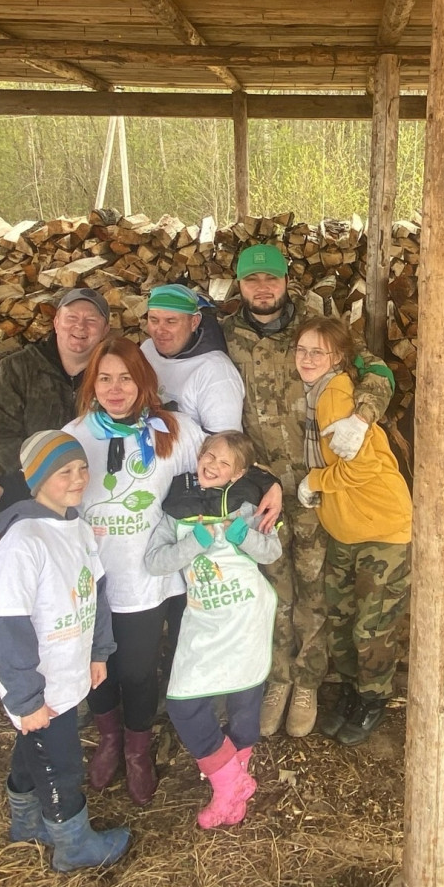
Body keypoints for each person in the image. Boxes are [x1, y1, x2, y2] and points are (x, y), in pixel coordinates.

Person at [64, 339, 281, 805]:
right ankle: (109, 740)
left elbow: (230, 466)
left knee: (140, 670)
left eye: (126, 377)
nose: (115, 388)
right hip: (93, 577)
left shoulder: (178, 431)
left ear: (145, 380)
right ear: (92, 384)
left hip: (149, 579)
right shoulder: (75, 434)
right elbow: (42, 485)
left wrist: (272, 484)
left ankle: (139, 748)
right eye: (105, 378)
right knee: (96, 668)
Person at [224, 242, 395, 740]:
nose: (262, 289)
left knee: (315, 592)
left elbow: (377, 370)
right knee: (274, 590)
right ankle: (277, 679)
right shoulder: (227, 334)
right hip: (264, 489)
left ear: (285, 281)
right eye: (252, 281)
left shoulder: (317, 328)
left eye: (270, 279)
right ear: (240, 285)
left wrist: (362, 417)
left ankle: (307, 682)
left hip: (319, 488)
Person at [0, 430, 129, 871]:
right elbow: (9, 626)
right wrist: (26, 698)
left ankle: (27, 820)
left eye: (82, 467)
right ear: (37, 479)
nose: (78, 478)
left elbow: (96, 593)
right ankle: (72, 844)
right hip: (38, 682)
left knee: (35, 747)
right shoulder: (23, 542)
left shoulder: (78, 528)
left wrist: (99, 651)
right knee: (60, 765)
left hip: (67, 672)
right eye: (64, 471)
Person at [143, 431, 284, 828]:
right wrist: (195, 543)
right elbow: (155, 561)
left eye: (224, 463)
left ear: (238, 473)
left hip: (245, 617)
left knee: (244, 705)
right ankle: (232, 783)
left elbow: (273, 551)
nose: (213, 466)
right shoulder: (178, 507)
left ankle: (229, 798)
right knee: (183, 704)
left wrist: (246, 538)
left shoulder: (247, 505)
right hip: (204, 617)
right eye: (209, 455)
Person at [297, 316, 414, 747]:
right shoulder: (317, 392)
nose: (307, 359)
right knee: (343, 617)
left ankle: (373, 697)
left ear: (339, 357)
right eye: (302, 350)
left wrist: (315, 482)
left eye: (318, 352)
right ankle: (350, 688)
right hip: (346, 526)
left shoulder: (335, 395)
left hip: (380, 525)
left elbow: (361, 464)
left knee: (372, 623)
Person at [0, 286, 111, 496]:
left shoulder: (113, 373)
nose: (80, 326)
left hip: (97, 490)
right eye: (71, 317)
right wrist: (42, 481)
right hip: (30, 491)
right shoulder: (17, 368)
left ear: (105, 330)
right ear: (56, 322)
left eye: (92, 320)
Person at [141, 282, 246, 433]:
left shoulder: (216, 372)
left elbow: (224, 445)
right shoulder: (146, 350)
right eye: (154, 320)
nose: (160, 330)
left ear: (194, 322)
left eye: (171, 321)